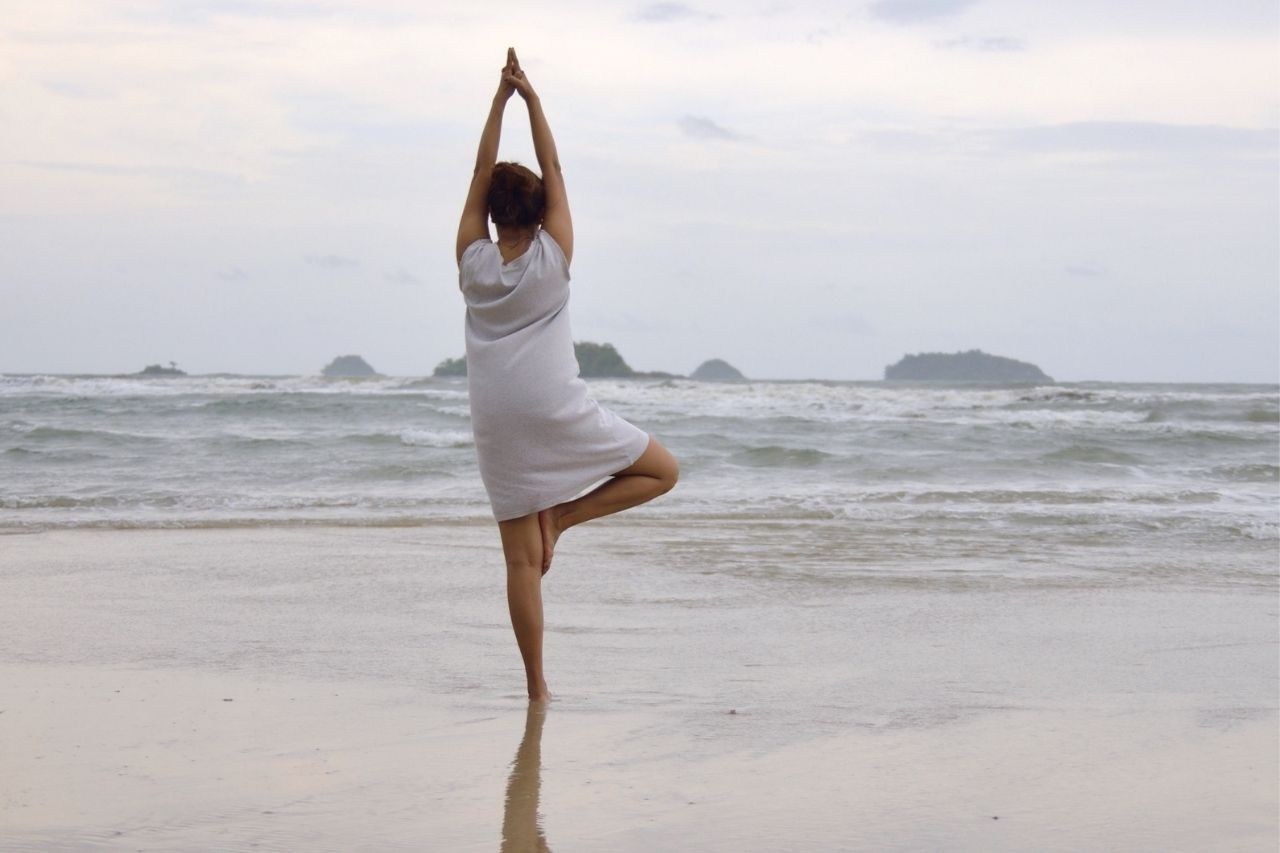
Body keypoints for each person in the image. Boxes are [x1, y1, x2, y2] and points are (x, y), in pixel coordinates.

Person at [456, 48, 679, 703]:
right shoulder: (555, 255)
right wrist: (533, 100)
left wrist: (498, 101)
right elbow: (554, 166)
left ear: (494, 215)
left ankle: (536, 688)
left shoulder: (472, 261)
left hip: (496, 419)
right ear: (540, 207)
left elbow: (477, 171)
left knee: (519, 564)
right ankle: (566, 517)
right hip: (555, 406)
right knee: (662, 470)